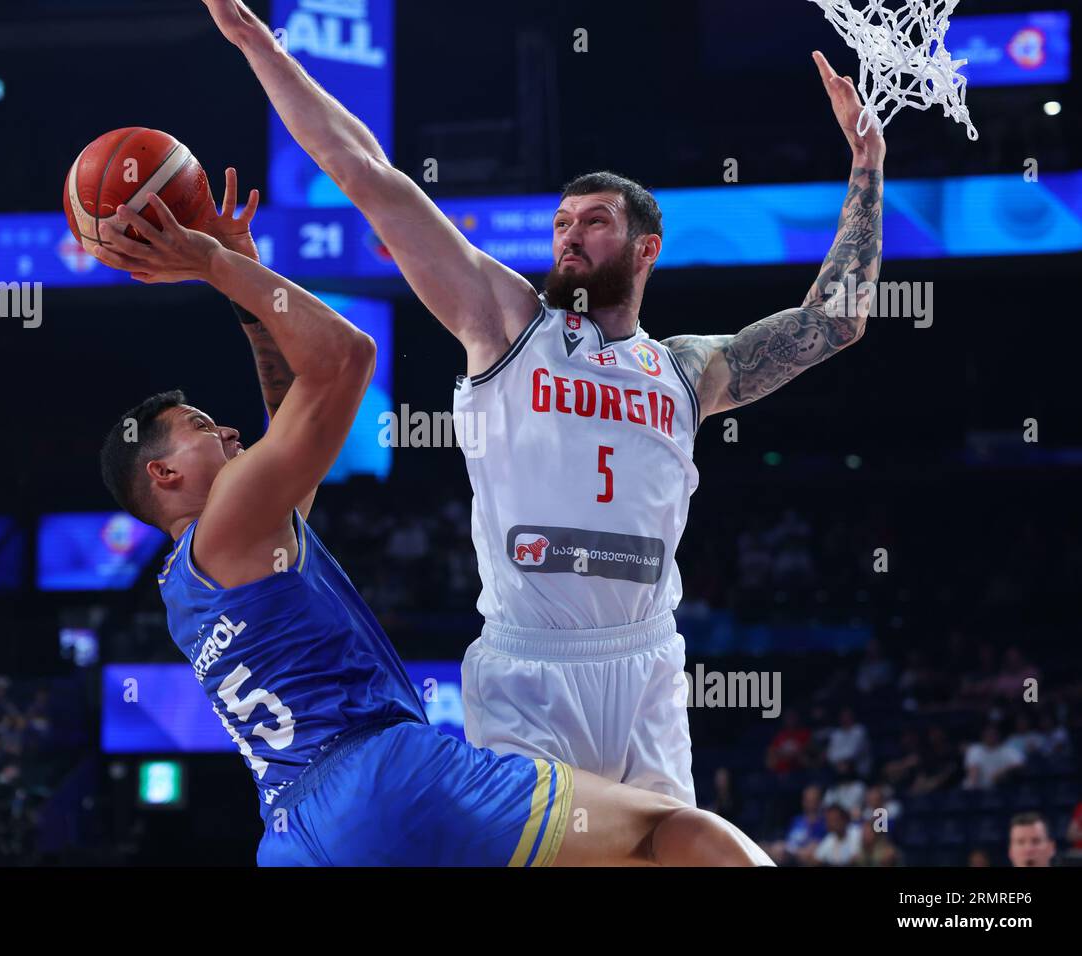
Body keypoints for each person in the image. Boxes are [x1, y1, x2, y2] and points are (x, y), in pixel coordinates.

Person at [199, 0, 884, 804]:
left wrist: (866, 164)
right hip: (529, 667)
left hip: (649, 663)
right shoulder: (505, 321)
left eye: (594, 223)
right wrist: (258, 46)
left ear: (644, 250)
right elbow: (368, 175)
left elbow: (832, 321)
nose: (569, 234)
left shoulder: (686, 371)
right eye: (562, 221)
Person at [90, 178, 770, 867]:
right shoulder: (233, 519)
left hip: (295, 833)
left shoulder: (191, 580)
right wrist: (214, 263)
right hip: (384, 780)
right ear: (163, 475)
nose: (229, 430)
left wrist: (246, 284)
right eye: (202, 428)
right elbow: (343, 358)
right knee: (670, 833)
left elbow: (295, 414)